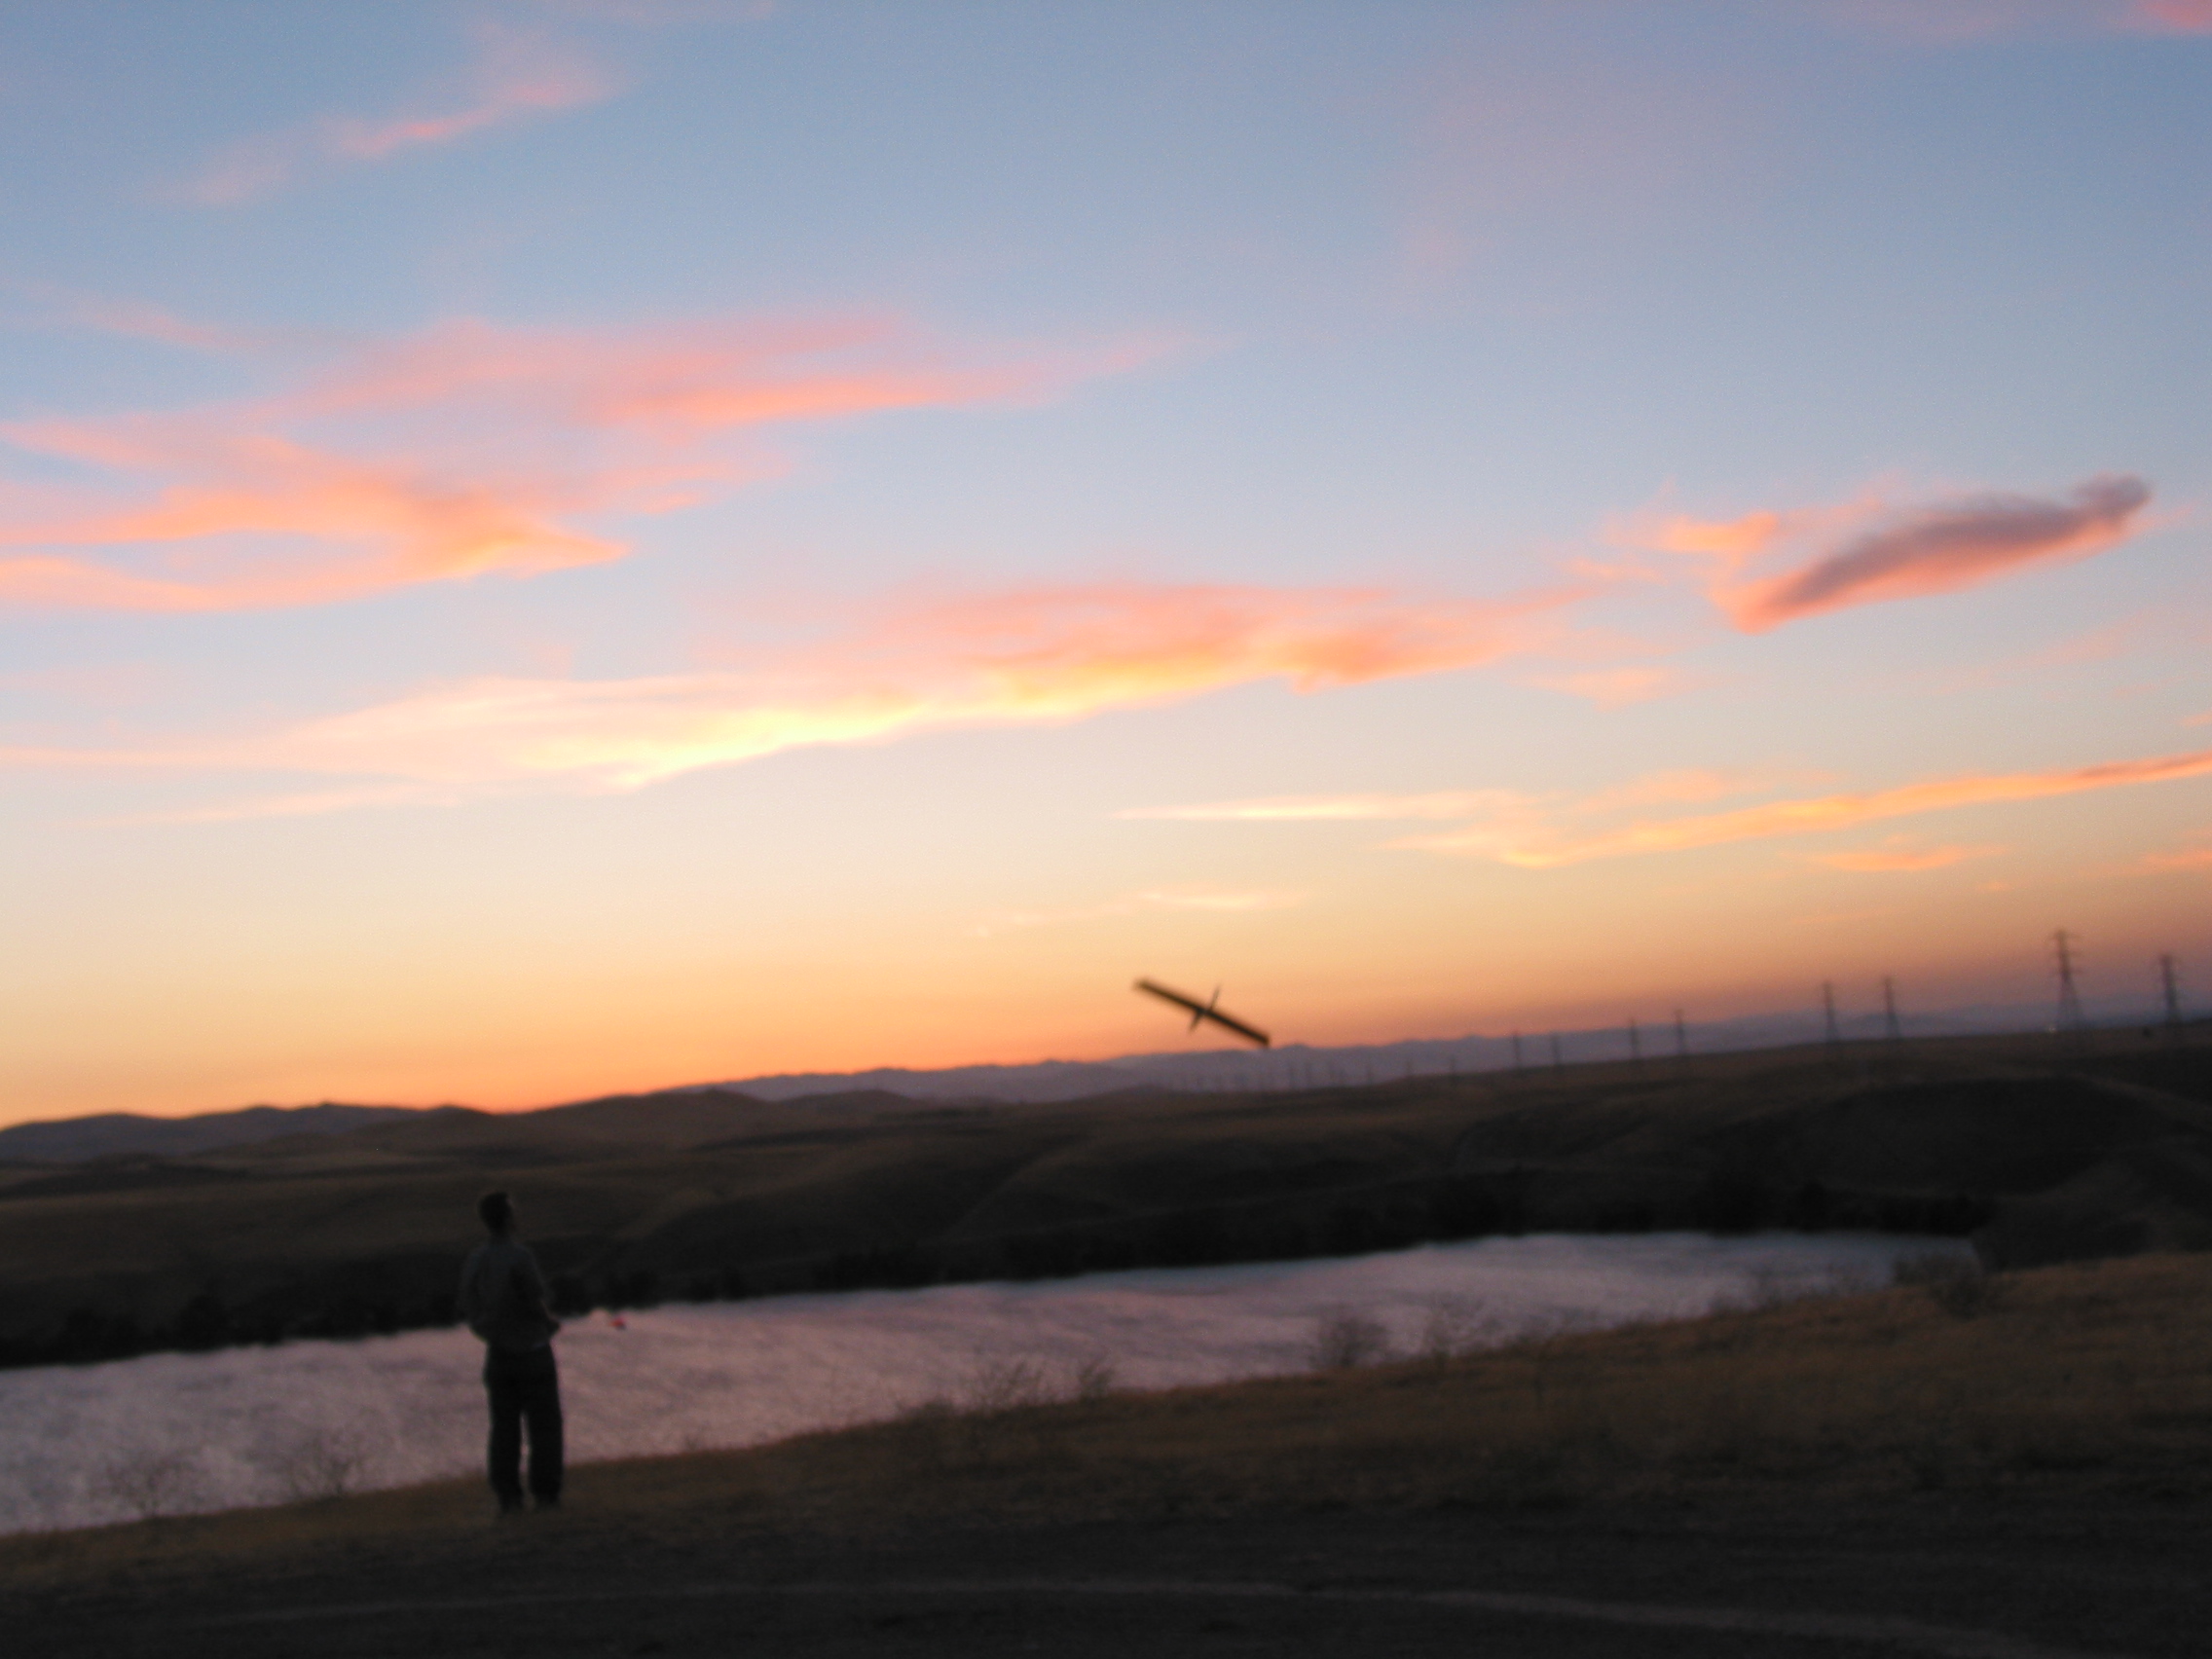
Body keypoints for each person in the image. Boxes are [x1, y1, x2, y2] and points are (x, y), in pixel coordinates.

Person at [458, 1190, 564, 1514]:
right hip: (532, 1353)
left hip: (498, 1356)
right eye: (513, 1211)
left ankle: (508, 1497)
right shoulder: (520, 1257)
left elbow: (470, 1309)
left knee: (503, 1428)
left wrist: (491, 1334)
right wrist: (548, 1323)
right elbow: (534, 1298)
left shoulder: (476, 1260)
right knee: (544, 1427)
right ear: (506, 1218)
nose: (518, 1216)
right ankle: (545, 1496)